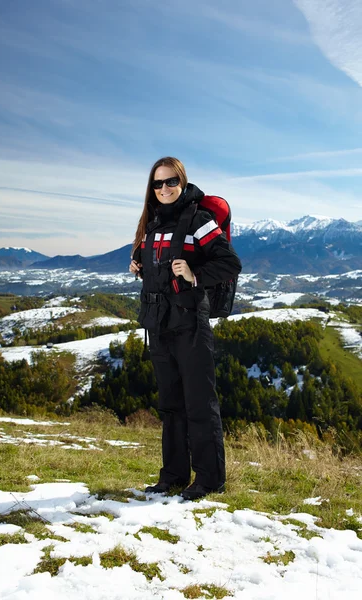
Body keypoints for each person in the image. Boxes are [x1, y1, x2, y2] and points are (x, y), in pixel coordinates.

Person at [129, 157, 242, 500]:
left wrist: (195, 275)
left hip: (191, 325)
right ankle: (173, 476)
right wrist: (140, 266)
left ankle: (209, 480)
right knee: (171, 405)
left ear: (182, 181)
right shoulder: (152, 224)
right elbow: (160, 269)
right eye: (158, 184)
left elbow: (229, 263)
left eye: (171, 182)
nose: (164, 189)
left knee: (198, 404)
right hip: (159, 326)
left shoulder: (199, 219)